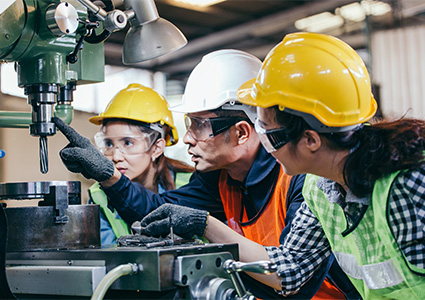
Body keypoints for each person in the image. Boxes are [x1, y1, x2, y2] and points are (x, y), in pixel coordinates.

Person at [53, 50, 355, 299]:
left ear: (240, 132)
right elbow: (159, 213)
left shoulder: (302, 180)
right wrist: (109, 176)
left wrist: (205, 226)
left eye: (199, 124)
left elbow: (293, 280)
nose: (187, 139)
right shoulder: (220, 177)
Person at [234, 32, 425, 299]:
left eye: (269, 133)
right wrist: (204, 225)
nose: (265, 145)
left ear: (310, 139)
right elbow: (290, 268)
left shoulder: (406, 183)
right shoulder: (320, 188)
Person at [88, 83, 194, 245]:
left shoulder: (189, 184)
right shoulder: (99, 195)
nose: (116, 156)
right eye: (109, 144)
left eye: (128, 143)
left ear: (157, 148)